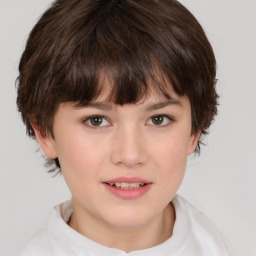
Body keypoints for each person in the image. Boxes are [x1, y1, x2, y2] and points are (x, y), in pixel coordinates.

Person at [16, 0, 229, 255]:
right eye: (96, 120)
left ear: (195, 129)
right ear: (44, 132)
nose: (130, 155)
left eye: (158, 119)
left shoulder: (215, 244)